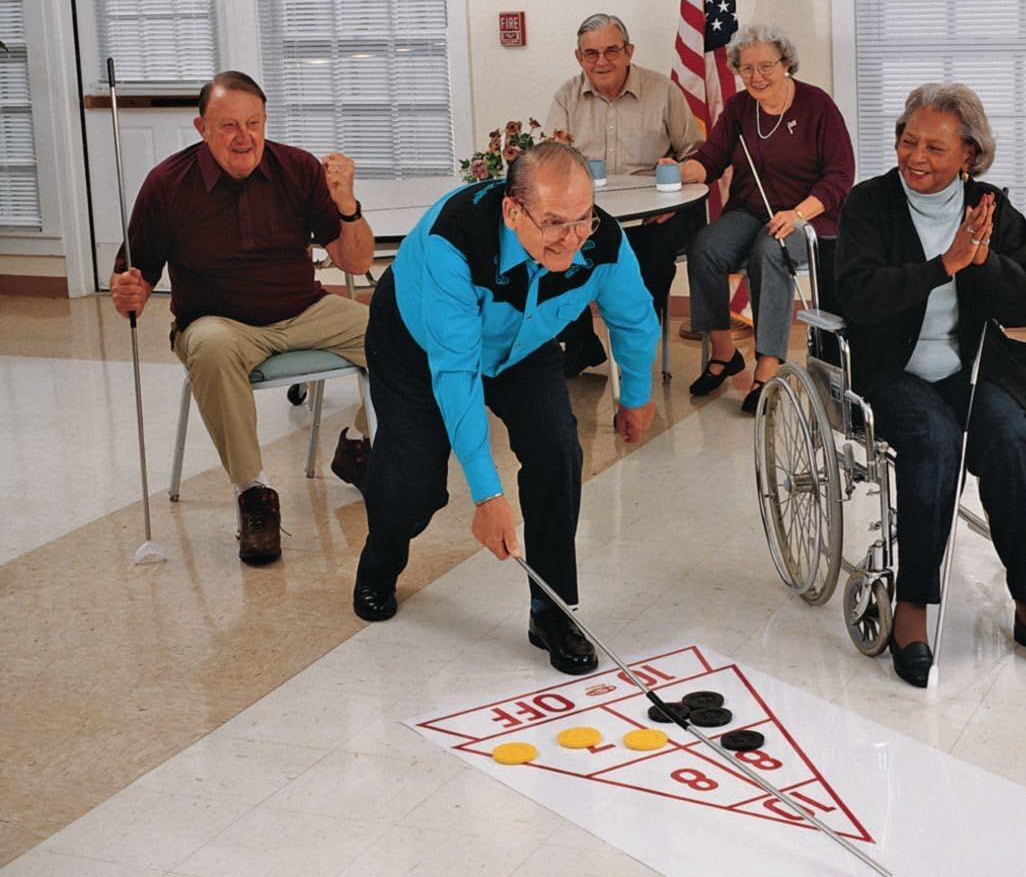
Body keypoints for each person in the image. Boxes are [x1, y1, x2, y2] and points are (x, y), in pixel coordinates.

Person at [351, 141, 658, 676]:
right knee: (414, 484)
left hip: (522, 345)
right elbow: (456, 373)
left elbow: (634, 318)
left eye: (583, 219)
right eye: (557, 223)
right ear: (513, 211)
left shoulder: (599, 239)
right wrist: (487, 494)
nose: (574, 238)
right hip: (419, 345)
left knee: (557, 451)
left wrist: (635, 396)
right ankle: (380, 560)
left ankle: (554, 609)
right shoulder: (456, 242)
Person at [834, 83, 1026, 687]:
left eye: (935, 147)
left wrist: (982, 259)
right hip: (894, 370)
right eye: (907, 141)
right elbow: (858, 297)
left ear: (969, 154)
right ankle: (913, 603)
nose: (915, 156)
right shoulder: (869, 205)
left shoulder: (992, 209)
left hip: (977, 367)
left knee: (1015, 445)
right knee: (933, 442)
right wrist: (944, 266)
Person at [109, 71, 374, 566]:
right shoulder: (167, 184)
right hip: (219, 322)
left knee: (398, 333)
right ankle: (254, 496)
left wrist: (347, 205)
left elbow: (355, 262)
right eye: (228, 125)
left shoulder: (296, 168)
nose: (244, 137)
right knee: (208, 345)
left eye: (254, 122)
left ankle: (358, 447)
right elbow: (135, 278)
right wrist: (127, 290)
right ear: (200, 127)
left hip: (303, 309)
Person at [679, 24, 854, 413]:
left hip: (809, 217)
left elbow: (841, 175)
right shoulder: (741, 109)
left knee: (768, 250)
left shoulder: (816, 105)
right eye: (746, 68)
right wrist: (679, 171)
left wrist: (798, 213)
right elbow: (711, 159)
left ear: (786, 64)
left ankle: (768, 365)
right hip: (751, 209)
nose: (756, 76)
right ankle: (724, 354)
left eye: (766, 66)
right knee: (705, 246)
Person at [545, 12, 698, 377]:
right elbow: (549, 159)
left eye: (611, 50)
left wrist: (673, 194)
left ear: (629, 51)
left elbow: (695, 153)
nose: (602, 61)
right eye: (591, 53)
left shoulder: (662, 91)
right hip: (586, 217)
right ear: (579, 57)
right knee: (546, 246)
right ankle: (581, 340)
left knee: (652, 257)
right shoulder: (567, 96)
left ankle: (635, 354)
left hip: (654, 217)